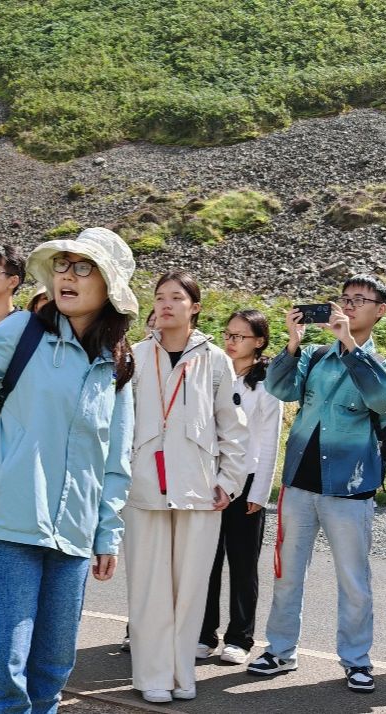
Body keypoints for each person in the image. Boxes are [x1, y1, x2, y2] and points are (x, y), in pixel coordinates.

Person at [0, 227, 136, 714]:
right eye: (62, 265)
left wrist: (107, 533)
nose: (68, 276)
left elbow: (115, 458)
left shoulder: (118, 360)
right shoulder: (24, 330)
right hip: (5, 521)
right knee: (5, 671)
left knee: (51, 671)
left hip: (73, 533)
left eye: (84, 267)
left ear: (109, 287)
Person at [250, 275, 386, 695]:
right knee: (287, 573)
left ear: (380, 310)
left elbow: (381, 399)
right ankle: (280, 650)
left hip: (350, 486)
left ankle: (356, 660)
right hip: (299, 482)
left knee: (353, 579)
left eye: (359, 300)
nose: (348, 305)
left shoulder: (382, 364)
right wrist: (293, 342)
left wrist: (350, 344)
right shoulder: (316, 356)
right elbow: (279, 388)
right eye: (344, 298)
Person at [124, 272, 249, 704]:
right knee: (148, 587)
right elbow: (120, 423)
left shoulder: (215, 359)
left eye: (176, 297)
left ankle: (181, 674)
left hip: (199, 490)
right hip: (143, 488)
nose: (165, 304)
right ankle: (152, 675)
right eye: (159, 297)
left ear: (194, 307)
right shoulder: (136, 355)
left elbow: (233, 427)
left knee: (190, 588)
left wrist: (229, 482)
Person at [199, 309, 283, 666]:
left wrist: (260, 493)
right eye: (228, 334)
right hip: (210, 477)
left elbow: (270, 440)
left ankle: (240, 638)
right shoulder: (213, 374)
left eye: (240, 336)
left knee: (243, 563)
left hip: (247, 480)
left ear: (259, 342)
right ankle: (204, 633)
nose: (231, 342)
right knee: (207, 560)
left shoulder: (267, 385)